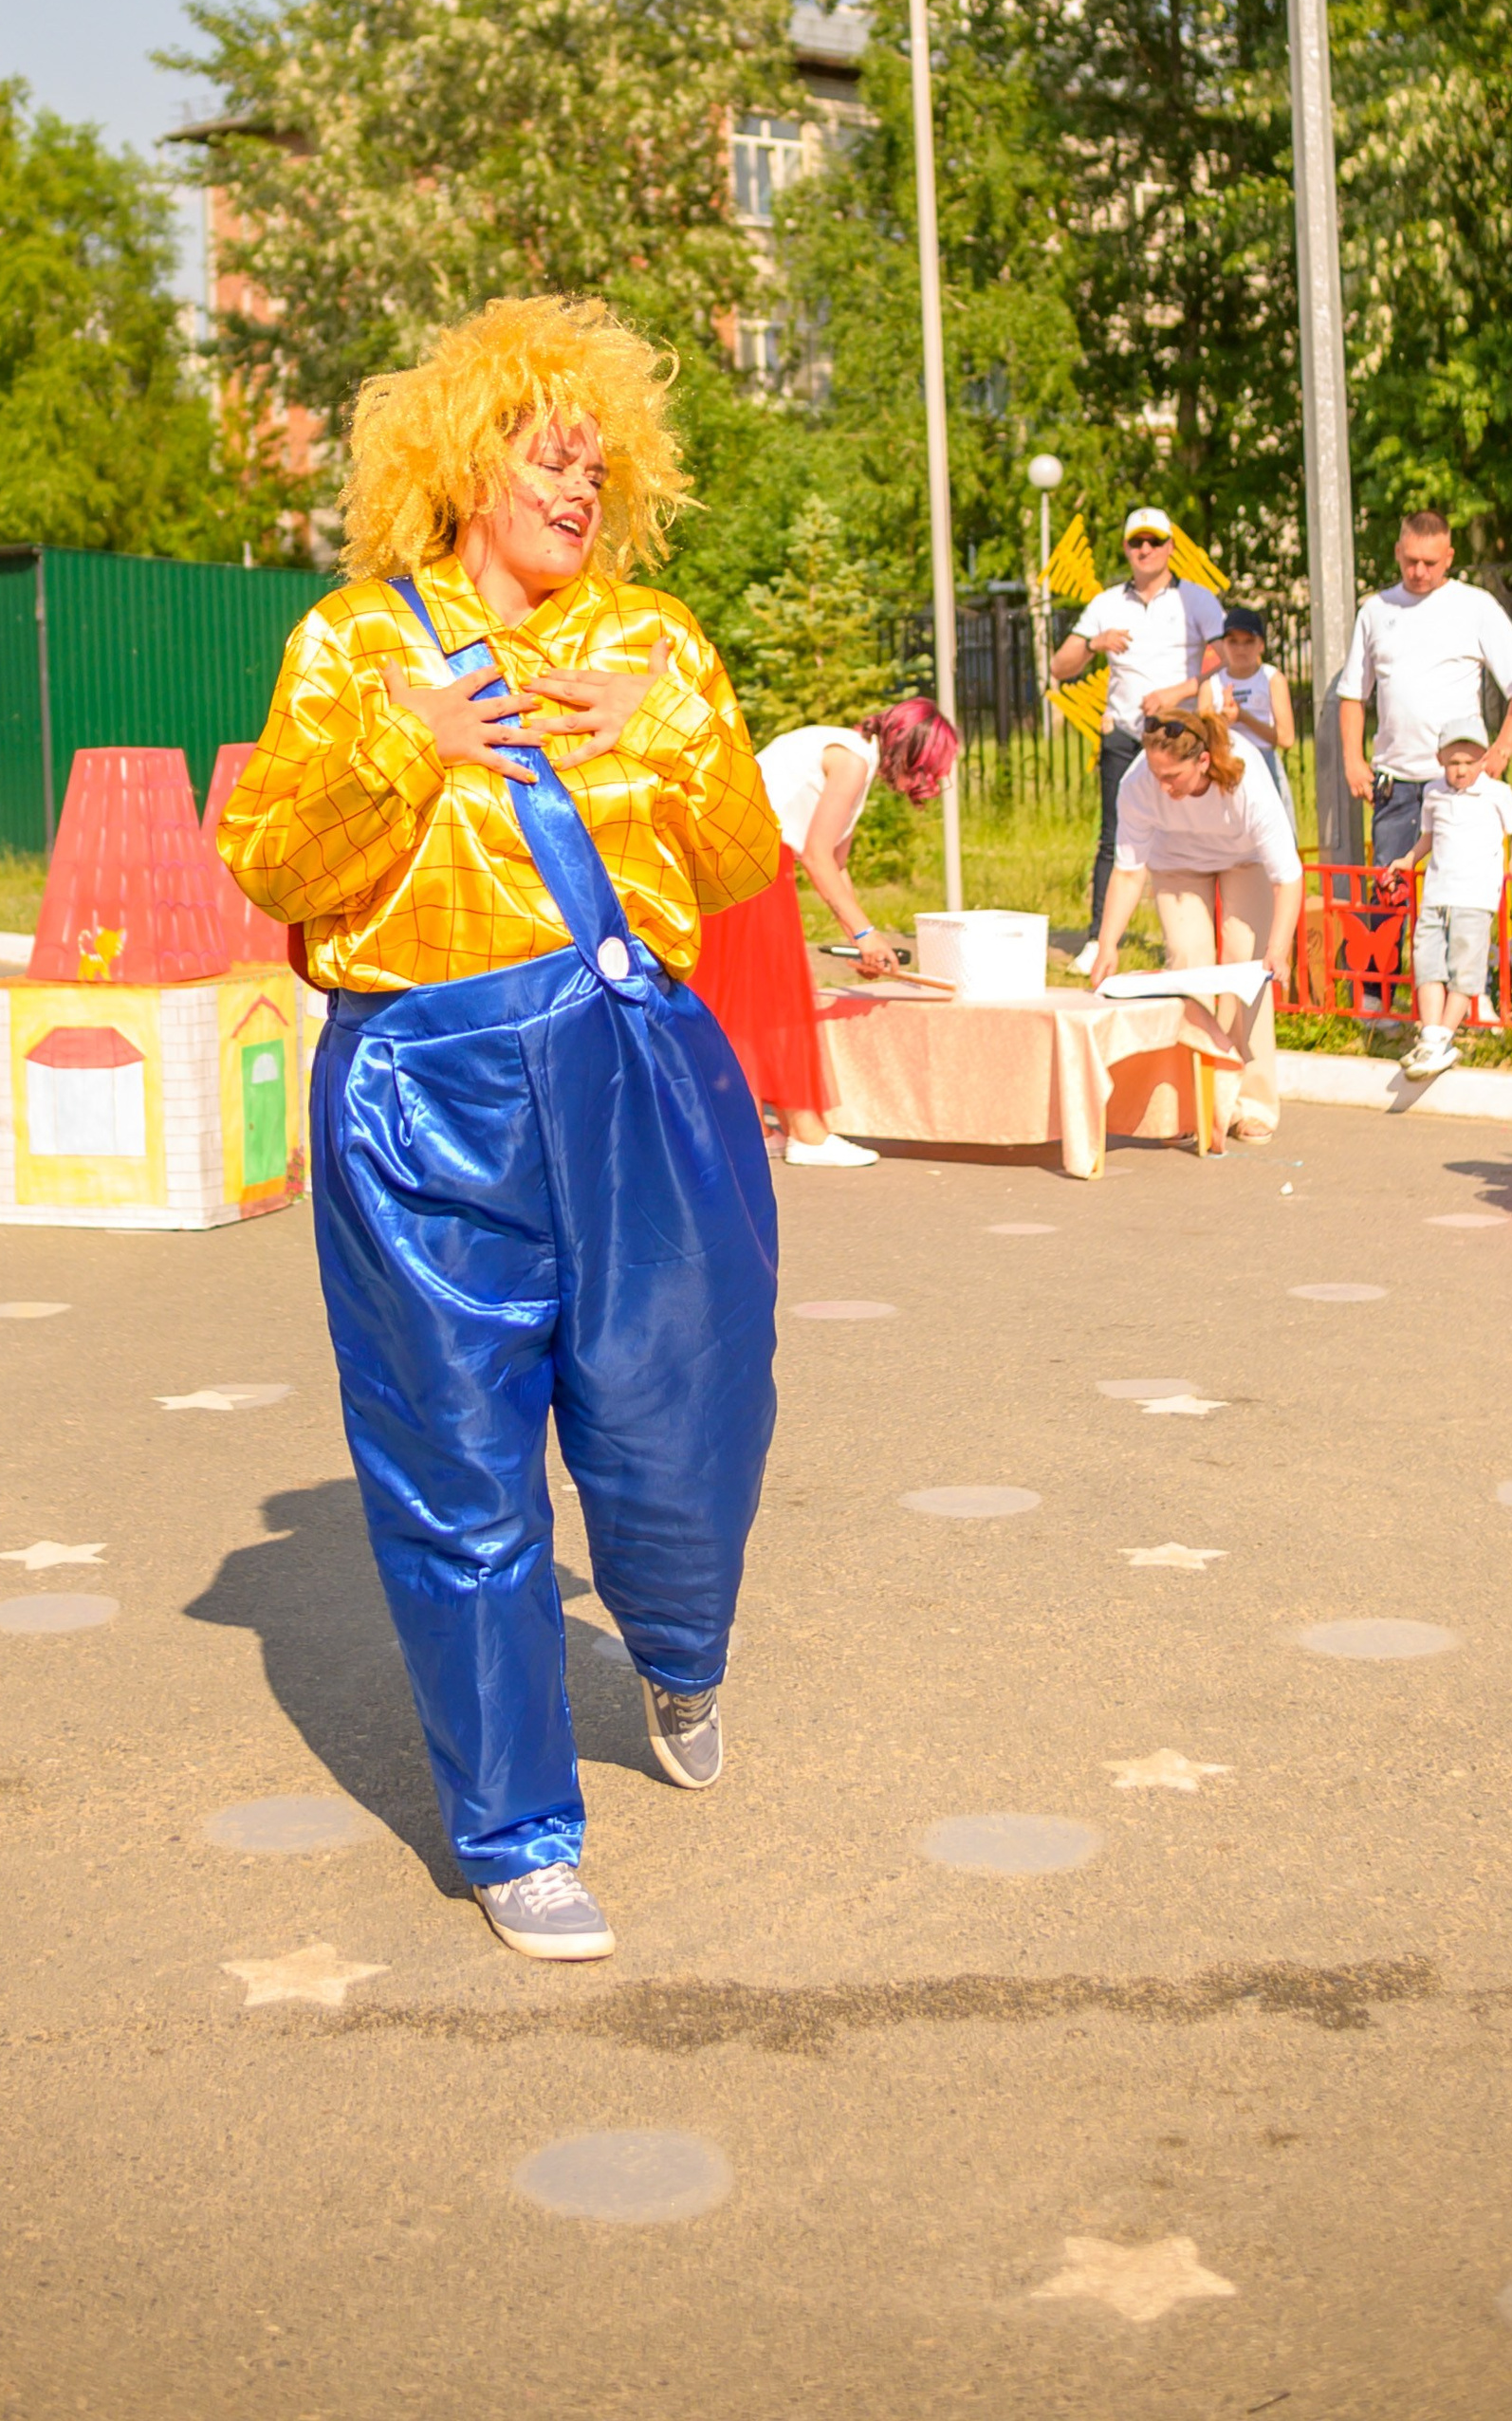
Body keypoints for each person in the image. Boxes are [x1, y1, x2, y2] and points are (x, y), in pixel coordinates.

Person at [216, 296, 784, 1967]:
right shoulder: (352, 645)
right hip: (421, 1097)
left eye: (598, 460)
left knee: (689, 1414)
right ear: (467, 460)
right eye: (550, 452)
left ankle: (679, 1644)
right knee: (462, 1466)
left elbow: (746, 860)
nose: (580, 481)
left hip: (636, 1072)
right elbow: (269, 861)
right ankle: (518, 1831)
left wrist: (667, 728)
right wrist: (414, 737)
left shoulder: (660, 643)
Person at [691, 698, 958, 1171]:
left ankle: (750, 1127)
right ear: (912, 752)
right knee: (774, 999)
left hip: (735, 859)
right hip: (754, 862)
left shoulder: (847, 752)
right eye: (929, 768)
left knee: (749, 1002)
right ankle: (808, 1133)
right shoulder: (851, 760)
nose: (927, 782)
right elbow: (816, 856)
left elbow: (837, 864)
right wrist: (864, 932)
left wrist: (862, 938)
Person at [1335, 508, 1512, 1014]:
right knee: (1389, 885)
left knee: (1464, 895)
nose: (1419, 572)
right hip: (1397, 778)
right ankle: (1376, 998)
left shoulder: (1475, 606)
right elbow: (1351, 694)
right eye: (1410, 561)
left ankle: (1472, 997)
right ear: (1397, 554)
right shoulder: (1375, 610)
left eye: (1430, 562)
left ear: (1450, 556)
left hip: (1462, 783)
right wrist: (1352, 760)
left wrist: (1503, 750)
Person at [1080, 702, 1303, 1141]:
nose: (1162, 786)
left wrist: (1278, 948)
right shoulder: (1138, 783)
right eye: (1156, 774)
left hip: (1245, 861)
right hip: (1178, 863)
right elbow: (1128, 871)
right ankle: (1193, 1101)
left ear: (1202, 761)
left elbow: (1288, 878)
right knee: (1188, 963)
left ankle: (1250, 1101)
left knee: (1246, 961)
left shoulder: (1246, 778)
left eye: (1172, 777)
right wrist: (1108, 943)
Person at [1050, 508, 1226, 925]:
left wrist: (1178, 692)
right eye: (1136, 542)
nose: (1144, 549)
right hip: (1126, 735)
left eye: (1153, 541)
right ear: (1126, 548)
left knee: (1192, 832)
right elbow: (1059, 667)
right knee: (1114, 839)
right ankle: (1099, 938)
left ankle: (1192, 933)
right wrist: (1095, 643)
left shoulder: (1196, 598)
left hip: (1181, 737)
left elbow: (1223, 656)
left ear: (1170, 546)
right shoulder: (1106, 603)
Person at [1400, 719, 1512, 1078]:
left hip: (1475, 896)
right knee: (1427, 963)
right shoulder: (1433, 793)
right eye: (1454, 762)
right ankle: (1430, 1034)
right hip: (1436, 893)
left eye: (1469, 762)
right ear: (1440, 760)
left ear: (1484, 759)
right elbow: (1428, 836)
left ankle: (1443, 1037)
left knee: (1464, 970)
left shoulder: (1497, 793)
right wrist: (1410, 858)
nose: (1461, 769)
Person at [1185, 604, 1295, 810]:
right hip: (1224, 764)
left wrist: (1243, 717)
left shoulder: (1272, 679)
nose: (1240, 649)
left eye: (1248, 642)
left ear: (1261, 645)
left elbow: (1286, 738)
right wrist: (1222, 721)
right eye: (1233, 642)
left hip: (1264, 761)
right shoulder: (1211, 685)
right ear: (1223, 645)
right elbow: (1201, 739)